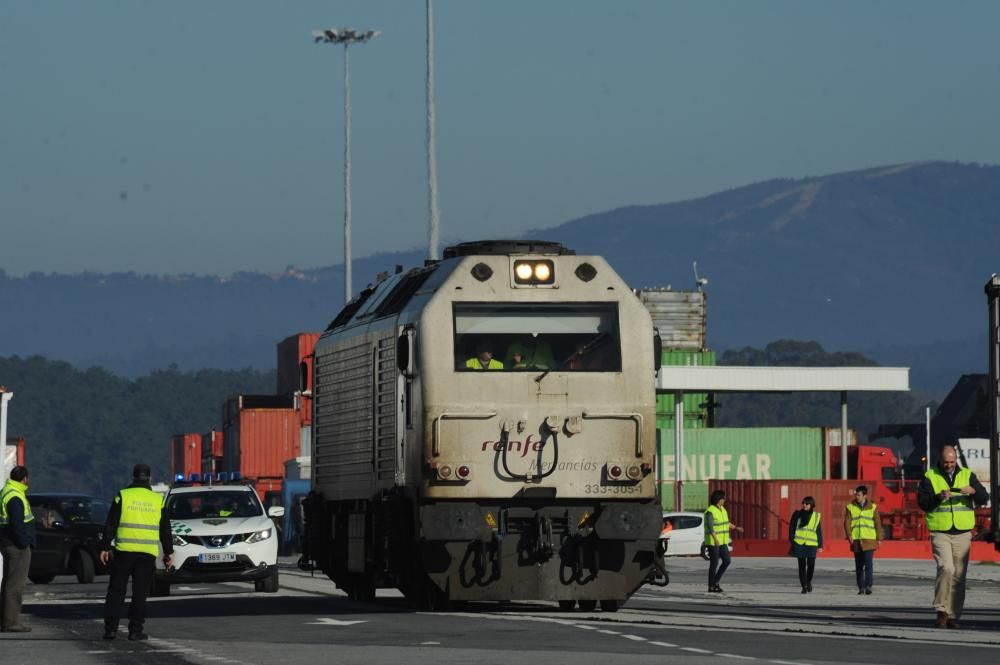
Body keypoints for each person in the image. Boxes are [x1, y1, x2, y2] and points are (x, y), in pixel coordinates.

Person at [917, 444, 989, 629]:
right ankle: (941, 610)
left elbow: (983, 497)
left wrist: (974, 491)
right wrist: (938, 497)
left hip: (963, 533)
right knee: (946, 568)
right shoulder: (929, 476)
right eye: (946, 462)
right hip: (940, 531)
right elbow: (923, 503)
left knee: (959, 575)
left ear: (955, 460)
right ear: (940, 460)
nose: (949, 465)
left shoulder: (967, 474)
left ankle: (952, 615)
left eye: (952, 462)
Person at [100, 463, 173, 641]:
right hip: (147, 553)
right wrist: (168, 553)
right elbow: (165, 529)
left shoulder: (123, 496)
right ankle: (135, 630)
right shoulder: (158, 500)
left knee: (116, 591)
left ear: (132, 477)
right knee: (140, 593)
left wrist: (105, 547)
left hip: (124, 551)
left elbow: (111, 523)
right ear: (150, 478)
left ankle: (111, 630)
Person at [0, 465, 35, 633]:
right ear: (25, 479)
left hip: (8, 543)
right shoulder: (15, 496)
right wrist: (24, 542)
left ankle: (6, 620)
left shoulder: (7, 491)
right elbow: (17, 524)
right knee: (15, 585)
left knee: (8, 583)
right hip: (16, 546)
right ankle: (11, 622)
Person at [844, 485, 881, 595]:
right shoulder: (850, 507)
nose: (857, 496)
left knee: (868, 564)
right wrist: (849, 535)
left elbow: (877, 523)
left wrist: (879, 538)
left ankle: (868, 586)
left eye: (859, 495)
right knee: (858, 565)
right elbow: (846, 522)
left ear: (865, 495)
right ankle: (861, 587)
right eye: (856, 494)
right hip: (856, 540)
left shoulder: (873, 507)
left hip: (869, 539)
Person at [704, 489, 743, 592]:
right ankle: (711, 586)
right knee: (714, 563)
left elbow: (726, 523)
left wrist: (736, 528)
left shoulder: (722, 509)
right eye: (723, 498)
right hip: (714, 542)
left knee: (727, 561)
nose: (725, 500)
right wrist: (715, 538)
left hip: (722, 541)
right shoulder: (710, 511)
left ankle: (715, 581)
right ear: (718, 499)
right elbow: (710, 526)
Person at [788, 496, 823, 593]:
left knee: (811, 564)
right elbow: (792, 528)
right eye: (803, 503)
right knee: (801, 566)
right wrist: (792, 541)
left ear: (811, 505)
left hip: (811, 544)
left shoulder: (816, 516)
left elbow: (818, 531)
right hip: (799, 543)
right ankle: (803, 586)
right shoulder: (797, 514)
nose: (804, 505)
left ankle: (808, 582)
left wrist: (820, 545)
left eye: (807, 504)